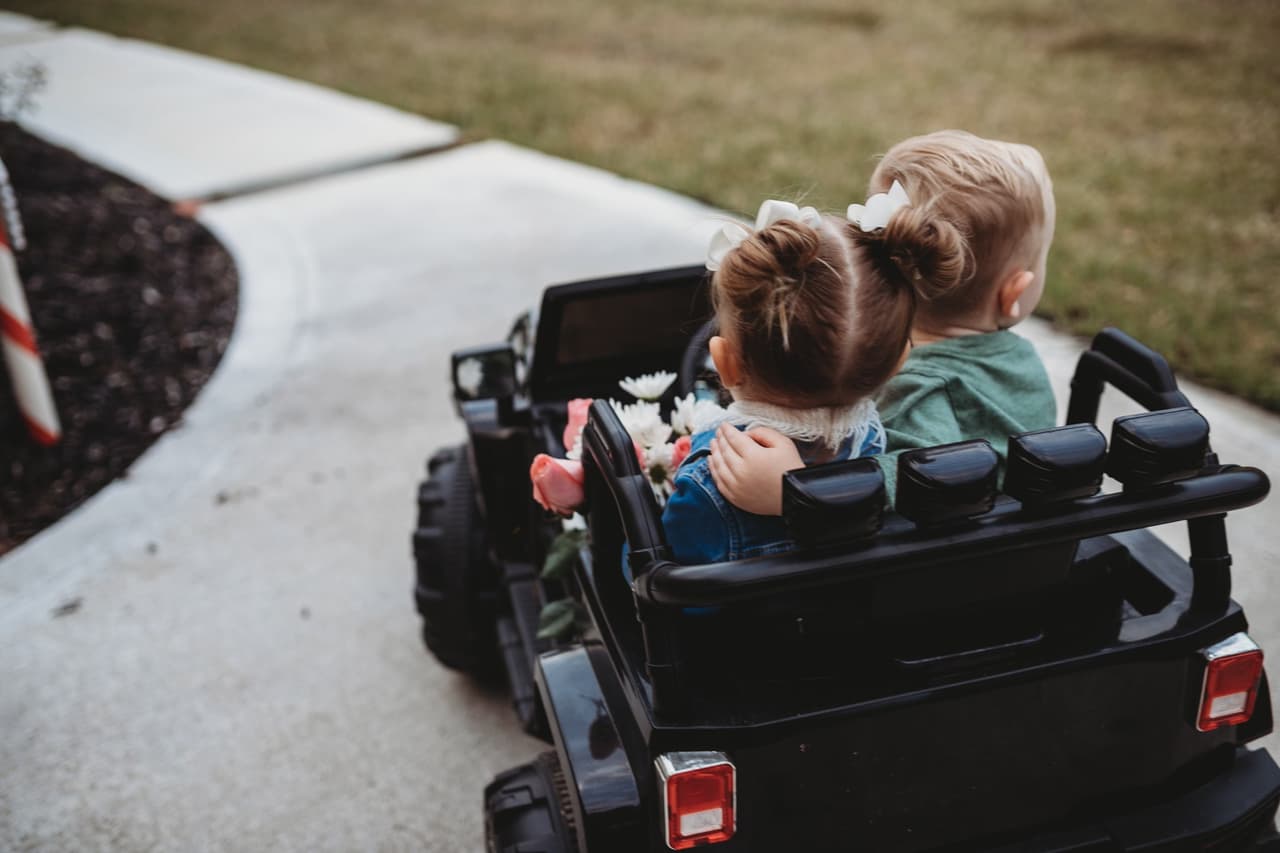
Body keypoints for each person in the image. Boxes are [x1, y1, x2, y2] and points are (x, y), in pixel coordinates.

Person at [710, 130, 1058, 514]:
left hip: (948, 561)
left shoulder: (920, 391)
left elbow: (921, 482)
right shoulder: (1018, 358)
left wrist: (796, 494)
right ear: (1013, 293)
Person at [660, 199, 914, 564]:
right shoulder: (872, 438)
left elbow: (662, 578)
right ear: (897, 363)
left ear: (724, 364)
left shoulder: (712, 477)